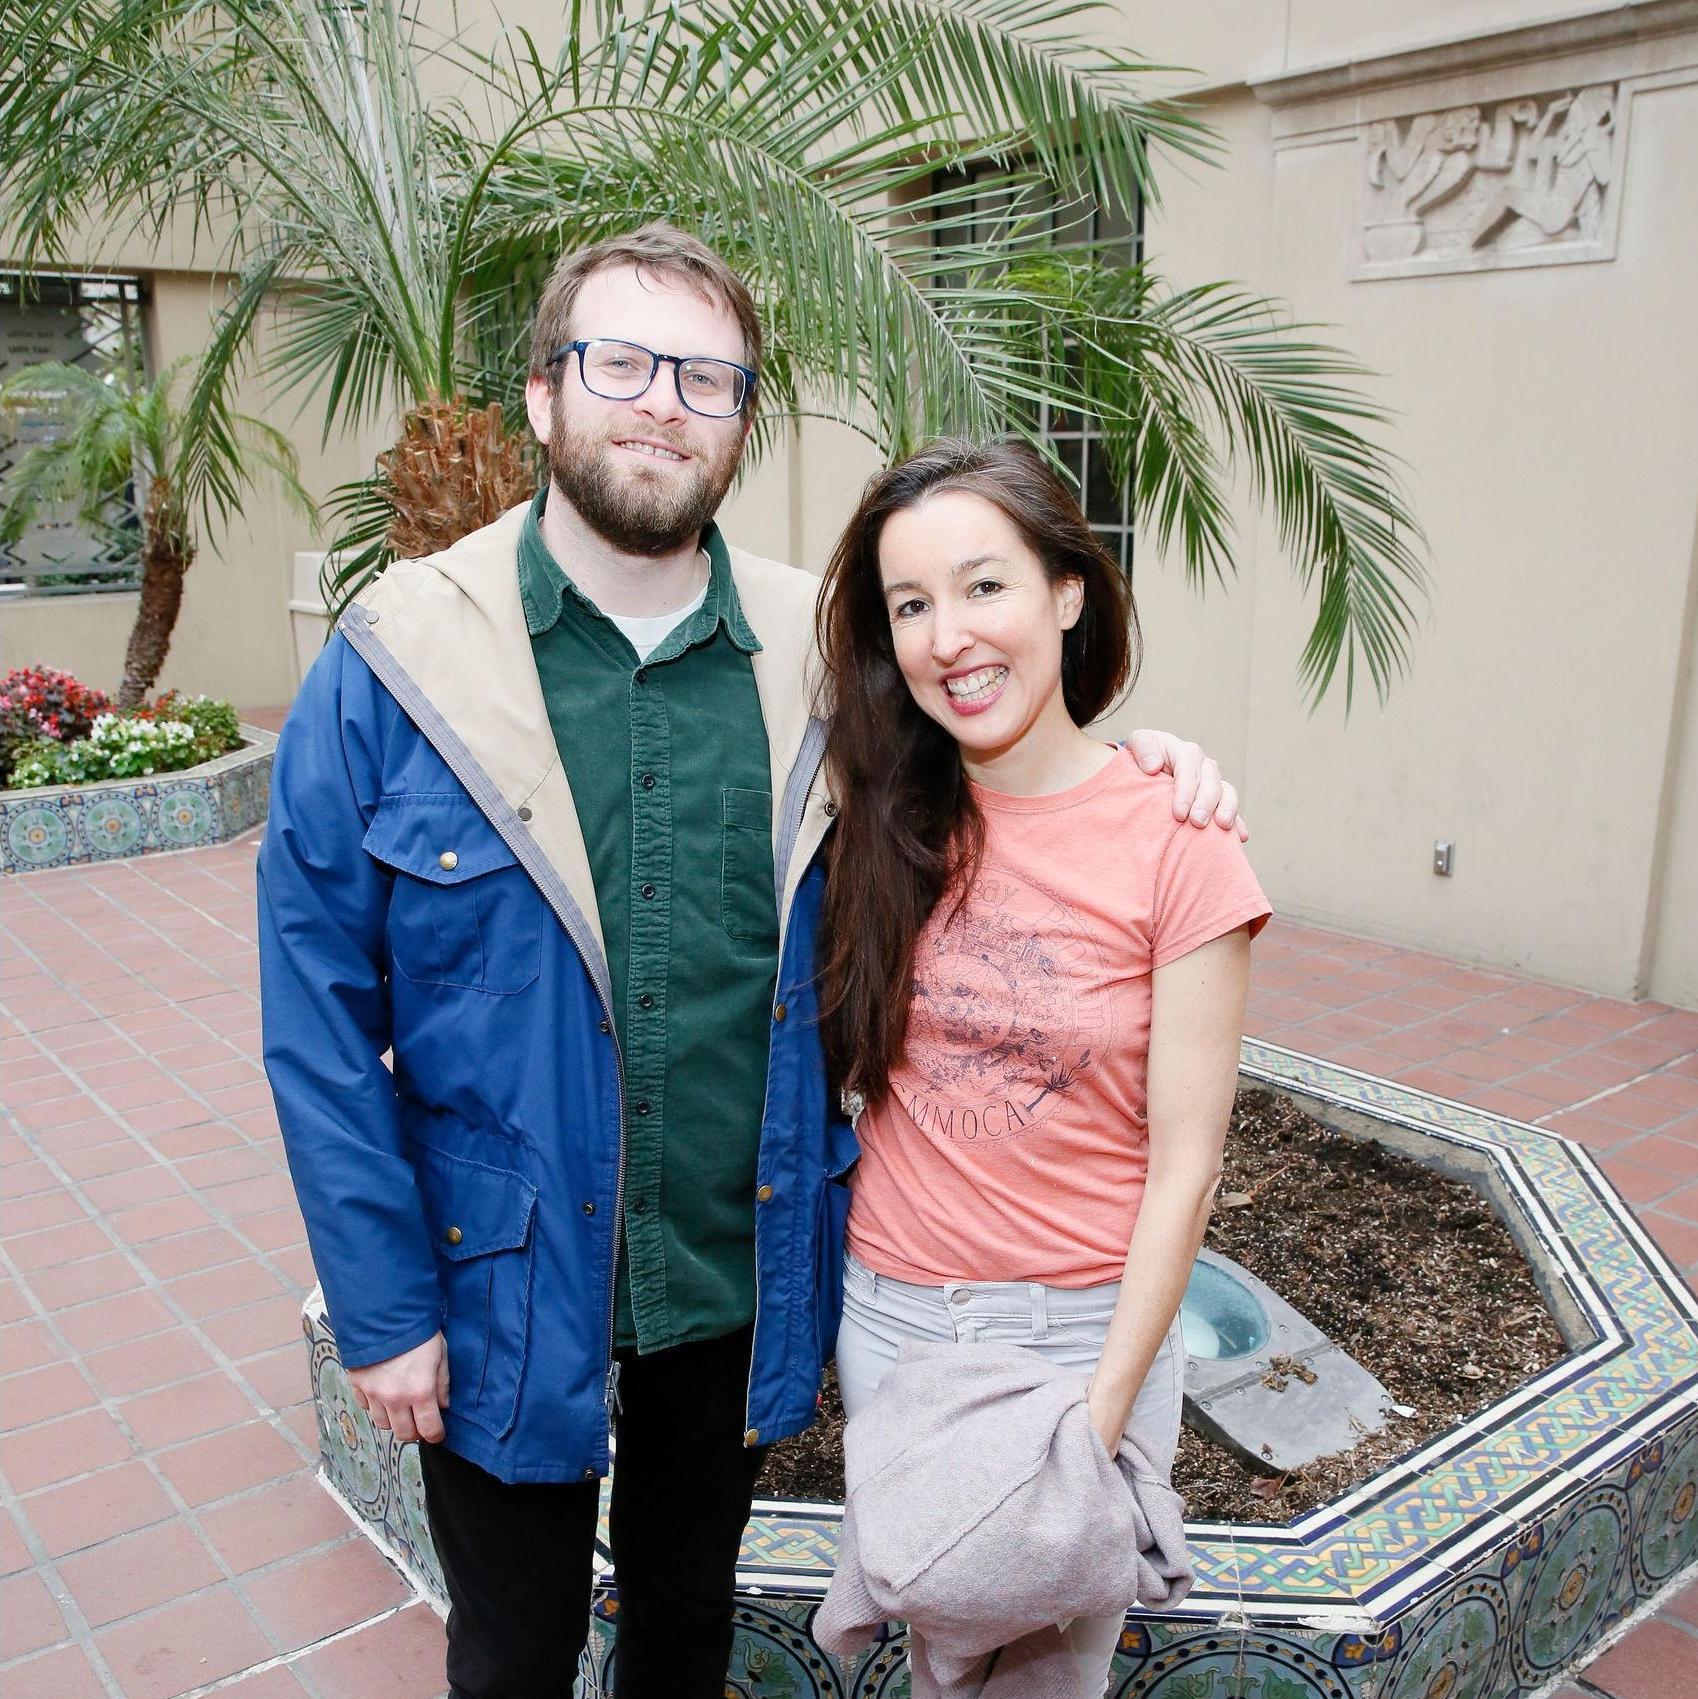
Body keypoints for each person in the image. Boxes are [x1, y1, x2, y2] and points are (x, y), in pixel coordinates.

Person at [258, 222, 1243, 1699]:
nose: (662, 402)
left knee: (684, 1629)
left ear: (738, 423)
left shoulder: (815, 653)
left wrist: (1151, 764)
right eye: (623, 362)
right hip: (500, 1281)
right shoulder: (399, 660)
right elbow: (316, 1013)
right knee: (510, 1652)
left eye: (706, 378)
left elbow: (1004, 754)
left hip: (730, 1275)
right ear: (543, 396)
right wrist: (385, 1307)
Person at [816, 438, 1272, 1696]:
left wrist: (1102, 1417)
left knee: (1046, 1687)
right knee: (934, 1665)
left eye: (983, 586)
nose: (948, 636)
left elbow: (1186, 1172)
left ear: (1068, 592)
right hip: (896, 1324)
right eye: (911, 605)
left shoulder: (1180, 837)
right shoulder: (867, 812)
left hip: (1082, 1339)